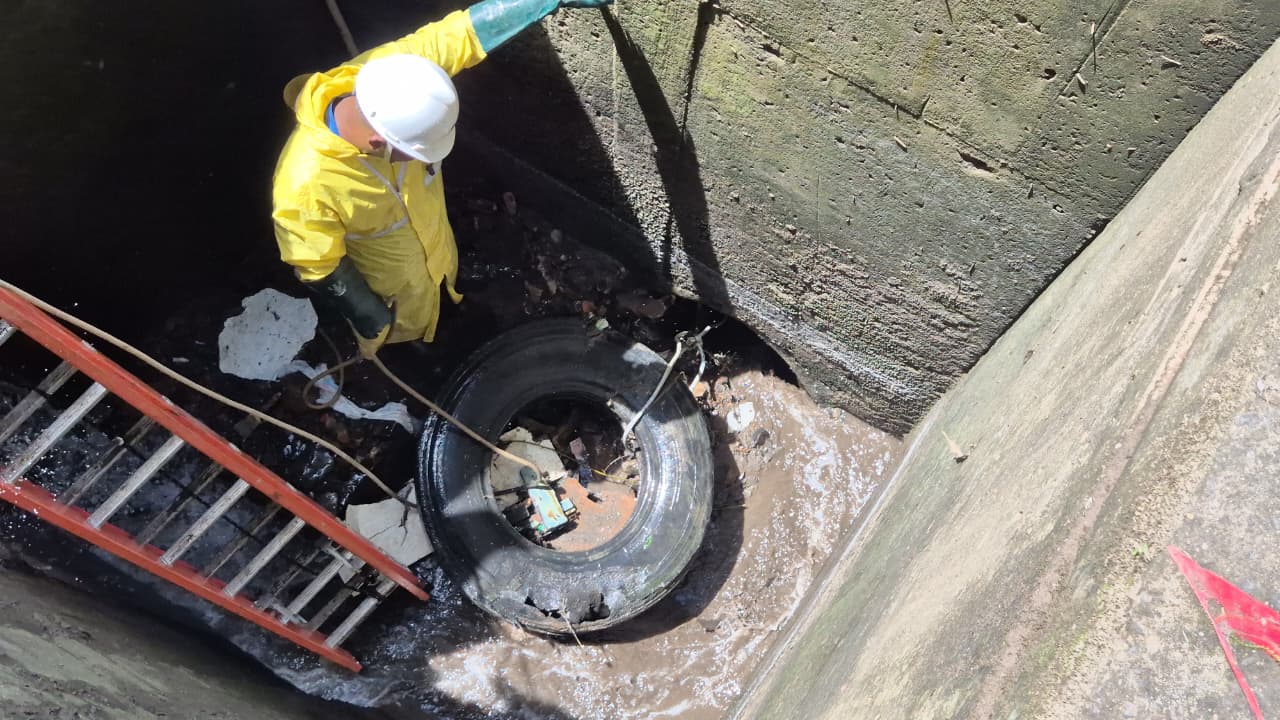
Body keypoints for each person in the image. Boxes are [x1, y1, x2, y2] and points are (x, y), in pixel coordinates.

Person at [272, 0, 611, 358]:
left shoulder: (391, 74)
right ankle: (414, 346)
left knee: (445, 292)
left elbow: (459, 35)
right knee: (408, 334)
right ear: (378, 142)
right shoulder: (304, 185)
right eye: (419, 154)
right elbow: (318, 265)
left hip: (437, 252)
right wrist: (369, 317)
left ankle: (447, 303)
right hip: (396, 293)